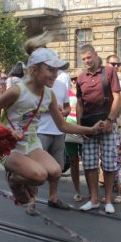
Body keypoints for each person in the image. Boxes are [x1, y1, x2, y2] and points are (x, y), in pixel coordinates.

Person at [0, 47, 103, 213]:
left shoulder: (48, 94)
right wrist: (6, 130)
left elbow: (62, 125)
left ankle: (22, 179)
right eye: (50, 69)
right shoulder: (17, 90)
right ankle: (14, 179)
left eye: (56, 70)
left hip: (32, 144)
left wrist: (90, 129)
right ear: (34, 69)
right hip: (9, 147)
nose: (55, 74)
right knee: (39, 176)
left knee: (55, 171)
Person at [76, 45, 121, 214]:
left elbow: (117, 96)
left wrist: (110, 119)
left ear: (95, 55)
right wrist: (81, 128)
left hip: (107, 123)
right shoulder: (81, 78)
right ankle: (94, 199)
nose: (87, 61)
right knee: (89, 164)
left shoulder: (109, 72)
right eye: (84, 59)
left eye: (89, 57)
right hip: (89, 126)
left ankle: (108, 200)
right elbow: (80, 104)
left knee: (109, 163)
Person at [37, 76, 70, 209]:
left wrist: (63, 111)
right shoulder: (37, 86)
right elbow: (30, 109)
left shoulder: (61, 85)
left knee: (57, 168)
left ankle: (53, 197)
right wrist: (51, 109)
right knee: (37, 168)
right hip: (41, 131)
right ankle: (32, 200)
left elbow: (68, 108)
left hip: (59, 132)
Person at [64, 70, 84, 202]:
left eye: (77, 78)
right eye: (72, 79)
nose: (74, 81)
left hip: (83, 131)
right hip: (69, 131)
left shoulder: (85, 93)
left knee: (88, 162)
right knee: (73, 161)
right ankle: (77, 191)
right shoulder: (66, 94)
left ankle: (92, 190)